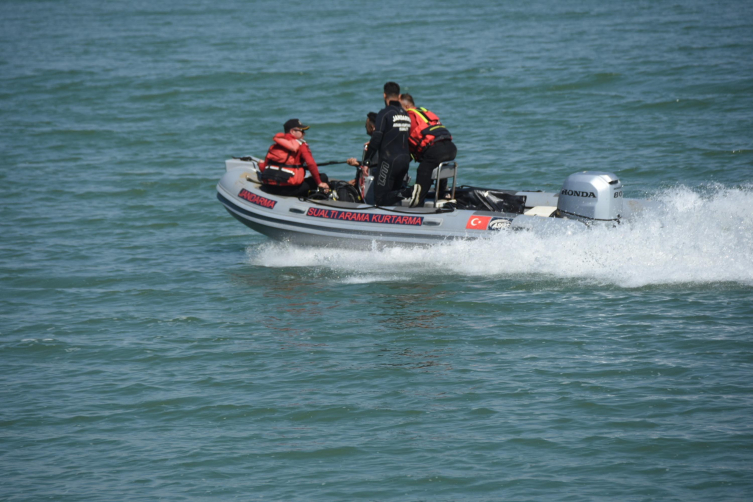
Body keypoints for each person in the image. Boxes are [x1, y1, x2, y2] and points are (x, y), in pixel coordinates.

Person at [399, 93, 457, 207]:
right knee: (437, 162)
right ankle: (442, 195)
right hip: (451, 148)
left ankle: (417, 204)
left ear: (405, 107)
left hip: (436, 150)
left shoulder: (408, 117)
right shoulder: (423, 112)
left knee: (423, 170)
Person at [362, 82, 414, 206]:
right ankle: (403, 195)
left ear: (384, 95)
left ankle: (408, 192)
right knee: (393, 196)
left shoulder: (385, 113)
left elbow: (376, 138)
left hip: (389, 162)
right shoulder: (406, 114)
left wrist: (366, 161)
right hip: (405, 161)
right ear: (399, 95)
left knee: (380, 198)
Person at [258, 119, 329, 197]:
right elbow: (311, 164)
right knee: (323, 177)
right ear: (292, 131)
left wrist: (260, 164)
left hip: (269, 187)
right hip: (290, 190)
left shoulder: (275, 146)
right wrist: (319, 182)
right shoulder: (302, 145)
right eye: (302, 131)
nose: (304, 134)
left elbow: (264, 168)